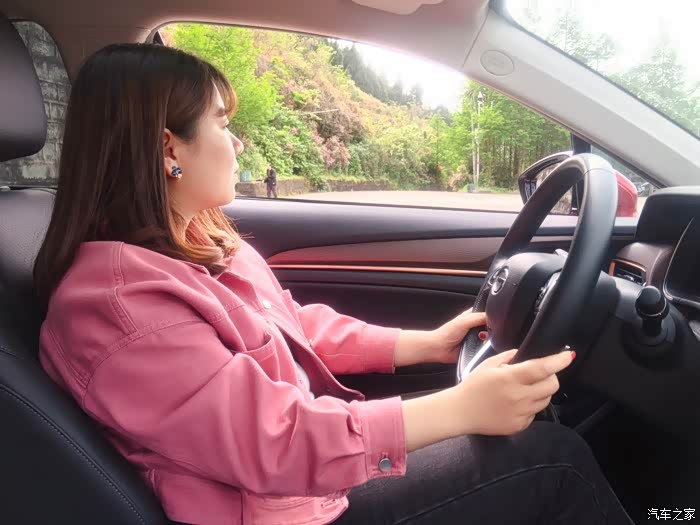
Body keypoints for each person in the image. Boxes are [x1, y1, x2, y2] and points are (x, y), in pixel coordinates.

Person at [34, 44, 633, 525]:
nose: (238, 143)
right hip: (279, 505)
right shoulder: (117, 306)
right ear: (169, 148)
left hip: (301, 485)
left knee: (533, 439)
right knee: (555, 461)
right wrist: (460, 407)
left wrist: (422, 345)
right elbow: (275, 443)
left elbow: (289, 324)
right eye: (223, 123)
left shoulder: (196, 239)